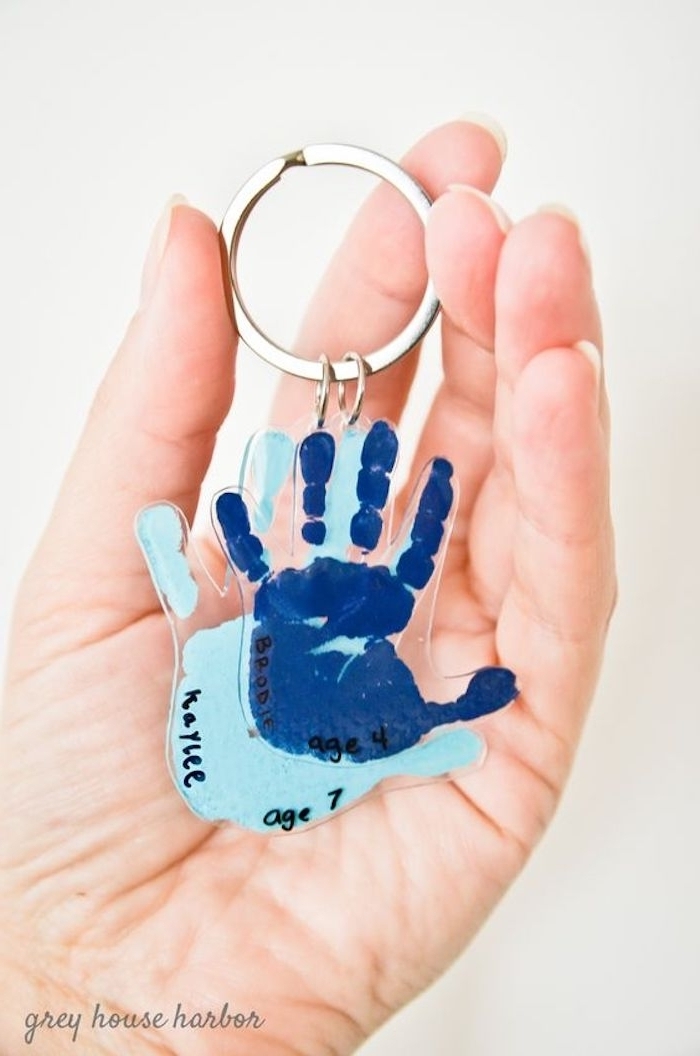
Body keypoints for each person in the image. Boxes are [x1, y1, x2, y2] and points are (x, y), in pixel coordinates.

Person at [0, 118, 616, 1054]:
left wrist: (74, 983)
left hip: (290, 710)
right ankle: (331, 695)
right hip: (282, 717)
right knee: (346, 595)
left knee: (330, 605)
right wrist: (72, 978)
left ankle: (327, 693)